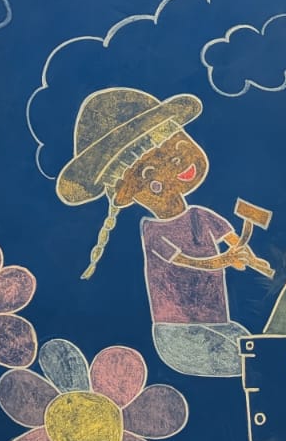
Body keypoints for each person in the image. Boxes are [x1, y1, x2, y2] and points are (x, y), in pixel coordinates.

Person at [56, 87, 258, 377]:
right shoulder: (154, 233)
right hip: (176, 333)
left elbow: (229, 237)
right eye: (150, 171)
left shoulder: (199, 215)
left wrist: (246, 254)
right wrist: (224, 260)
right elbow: (188, 263)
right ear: (126, 193)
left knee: (256, 349)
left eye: (178, 145)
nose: (176, 162)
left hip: (217, 319)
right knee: (250, 362)